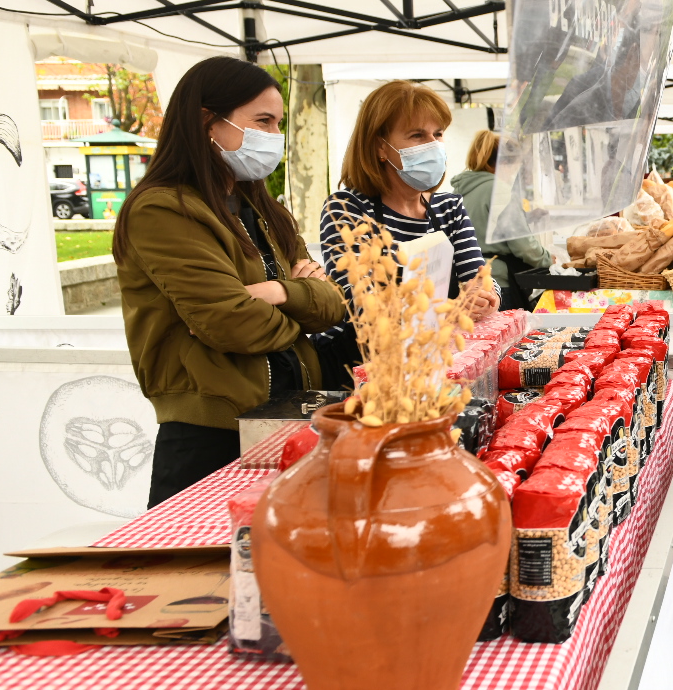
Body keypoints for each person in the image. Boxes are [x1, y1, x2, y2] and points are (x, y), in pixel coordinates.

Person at [113, 57, 346, 507]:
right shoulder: (163, 210)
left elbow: (332, 301)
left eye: (278, 123)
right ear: (207, 123)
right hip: (211, 436)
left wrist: (279, 294)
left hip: (285, 420)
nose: (274, 137)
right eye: (262, 121)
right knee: (202, 568)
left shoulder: (262, 209)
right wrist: (300, 312)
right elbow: (232, 323)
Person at [315, 81, 500, 387]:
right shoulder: (347, 209)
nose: (433, 145)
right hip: (370, 379)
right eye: (417, 135)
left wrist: (486, 297)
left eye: (437, 134)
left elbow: (479, 278)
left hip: (442, 373)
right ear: (380, 146)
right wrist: (451, 309)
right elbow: (363, 307)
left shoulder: (448, 207)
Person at [450, 129, 552, 308]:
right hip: (499, 286)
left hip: (469, 285)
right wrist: (547, 259)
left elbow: (482, 224)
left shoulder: (460, 189)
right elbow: (523, 245)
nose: (513, 175)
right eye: (514, 168)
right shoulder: (499, 190)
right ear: (504, 163)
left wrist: (526, 216)